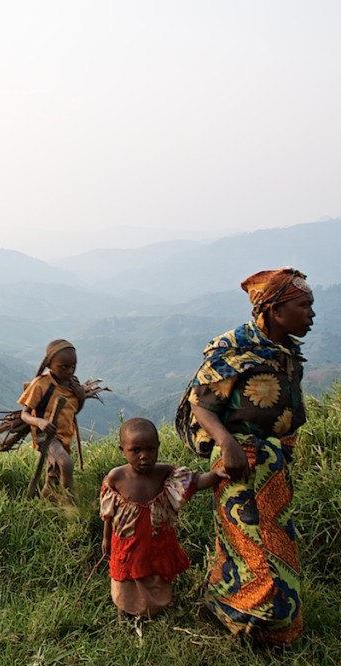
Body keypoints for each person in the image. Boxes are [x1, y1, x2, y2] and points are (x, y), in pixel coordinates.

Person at [175, 267, 315, 646]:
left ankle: (271, 624)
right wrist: (228, 442)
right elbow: (201, 406)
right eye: (304, 306)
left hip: (274, 465)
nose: (312, 315)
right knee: (251, 544)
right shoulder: (235, 349)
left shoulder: (285, 349)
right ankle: (246, 619)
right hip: (239, 463)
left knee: (277, 541)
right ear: (273, 310)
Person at [99, 418, 227, 618]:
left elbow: (195, 483)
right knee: (127, 576)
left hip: (157, 538)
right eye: (136, 450)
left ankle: (156, 607)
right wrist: (106, 538)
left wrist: (216, 474)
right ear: (122, 450)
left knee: (156, 571)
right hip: (127, 541)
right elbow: (108, 513)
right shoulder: (117, 478)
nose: (144, 456)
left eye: (150, 449)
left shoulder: (165, 473)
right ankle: (127, 608)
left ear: (158, 447)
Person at [18, 339, 86, 500]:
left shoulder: (73, 385)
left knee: (53, 474)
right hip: (44, 435)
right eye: (64, 367)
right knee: (66, 463)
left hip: (64, 435)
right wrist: (40, 422)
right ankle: (71, 504)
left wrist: (81, 396)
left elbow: (74, 411)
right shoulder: (41, 384)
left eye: (73, 366)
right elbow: (24, 414)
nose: (70, 371)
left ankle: (48, 500)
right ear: (50, 365)